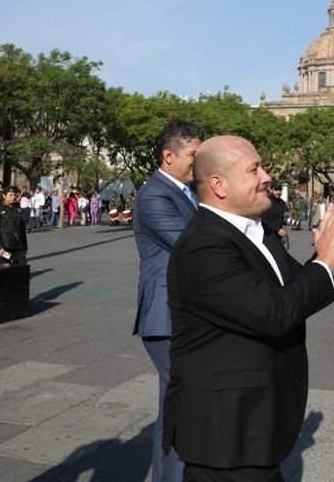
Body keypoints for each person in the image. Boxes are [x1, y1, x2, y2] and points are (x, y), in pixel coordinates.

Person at [164, 135, 334, 481]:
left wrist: (329, 253)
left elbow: (297, 288)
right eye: (254, 169)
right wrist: (325, 258)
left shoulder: (257, 232)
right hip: (224, 432)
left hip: (254, 425)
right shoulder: (203, 246)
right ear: (219, 185)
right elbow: (274, 314)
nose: (266, 176)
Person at [132, 120, 204, 482]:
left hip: (183, 315)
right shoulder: (154, 195)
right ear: (168, 155)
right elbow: (193, 245)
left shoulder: (189, 192)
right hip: (165, 317)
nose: (198, 162)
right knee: (178, 407)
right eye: (193, 155)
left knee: (178, 406)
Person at [0, 185, 28, 265]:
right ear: (4, 196)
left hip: (18, 247)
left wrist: (25, 247)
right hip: (5, 247)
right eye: (10, 195)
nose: (13, 197)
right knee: (5, 268)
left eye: (14, 195)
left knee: (22, 266)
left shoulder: (17, 209)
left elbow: (22, 229)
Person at [262, 181, 288, 247]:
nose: (278, 192)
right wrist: (277, 229)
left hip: (279, 237)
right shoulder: (267, 202)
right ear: (271, 190)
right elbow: (263, 219)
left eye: (280, 190)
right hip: (267, 235)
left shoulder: (282, 203)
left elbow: (280, 218)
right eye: (276, 189)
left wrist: (286, 221)